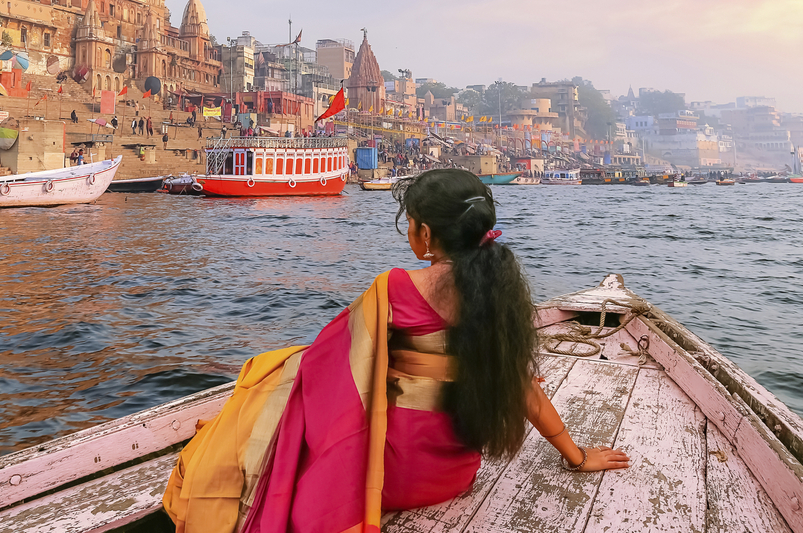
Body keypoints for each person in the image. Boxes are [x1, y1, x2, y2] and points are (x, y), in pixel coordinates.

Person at [162, 169, 629, 529]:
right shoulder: (502, 294)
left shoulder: (396, 287)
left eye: (409, 223)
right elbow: (524, 390)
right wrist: (577, 455)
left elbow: (334, 359)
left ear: (425, 234)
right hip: (454, 476)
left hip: (384, 479)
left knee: (284, 370)